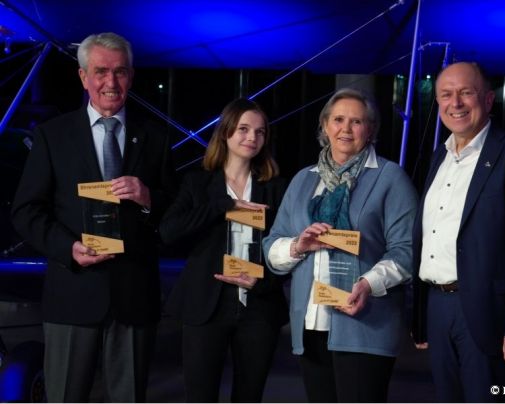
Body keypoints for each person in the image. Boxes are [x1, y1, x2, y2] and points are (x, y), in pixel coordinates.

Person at [11, 32, 175, 402]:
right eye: (101, 71)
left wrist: (148, 198)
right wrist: (68, 248)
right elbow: (26, 210)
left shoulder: (155, 138)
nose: (110, 83)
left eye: (120, 72)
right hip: (73, 292)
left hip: (134, 296)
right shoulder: (53, 136)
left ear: (131, 76)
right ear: (83, 77)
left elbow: (175, 211)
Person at [411, 61, 505, 402]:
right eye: (446, 95)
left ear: (488, 100)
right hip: (438, 307)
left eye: (466, 93)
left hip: (489, 312)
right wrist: (420, 315)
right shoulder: (439, 158)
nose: (455, 103)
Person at [263, 88, 418, 402]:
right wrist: (299, 246)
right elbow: (271, 247)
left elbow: (407, 251)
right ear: (324, 126)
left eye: (357, 121)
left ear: (371, 129)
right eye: (338, 119)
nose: (346, 129)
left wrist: (367, 283)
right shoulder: (303, 180)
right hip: (311, 322)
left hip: (366, 324)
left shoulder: (390, 178)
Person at [159, 98, 289, 402]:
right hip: (206, 306)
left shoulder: (276, 187)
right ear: (226, 133)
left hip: (259, 306)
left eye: (259, 132)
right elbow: (168, 231)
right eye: (243, 129)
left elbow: (286, 248)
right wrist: (224, 205)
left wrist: (264, 281)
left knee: (249, 396)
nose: (252, 138)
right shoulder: (197, 183)